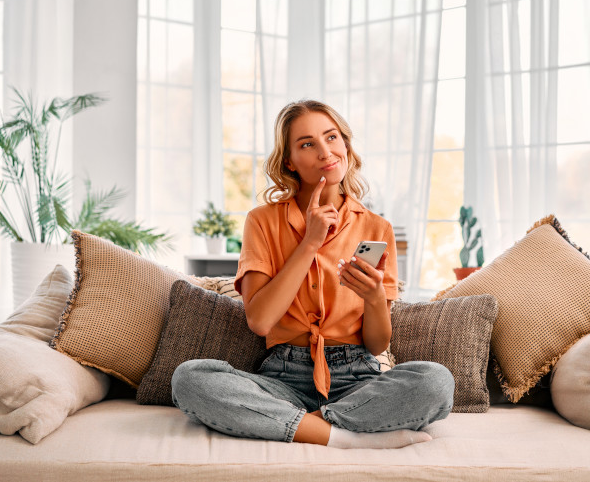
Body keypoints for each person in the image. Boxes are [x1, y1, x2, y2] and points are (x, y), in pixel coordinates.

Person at [171, 100, 454, 449]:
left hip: (358, 379)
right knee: (190, 379)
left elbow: (378, 344)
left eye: (332, 137)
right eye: (307, 144)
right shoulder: (262, 221)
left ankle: (305, 428)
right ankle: (348, 438)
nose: (325, 151)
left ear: (345, 144)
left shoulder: (377, 228)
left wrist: (374, 297)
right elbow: (260, 321)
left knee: (436, 381)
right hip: (282, 379)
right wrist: (309, 243)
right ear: (289, 161)